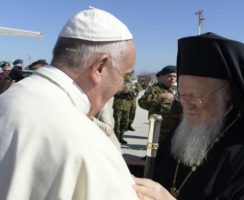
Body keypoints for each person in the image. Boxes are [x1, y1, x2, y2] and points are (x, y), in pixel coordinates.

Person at [0, 7, 139, 200]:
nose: (121, 84)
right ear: (99, 67)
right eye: (125, 75)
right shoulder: (91, 146)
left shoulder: (9, 98)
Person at [134, 33, 244, 200]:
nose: (186, 104)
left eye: (195, 96)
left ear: (228, 93)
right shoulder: (182, 131)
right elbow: (155, 169)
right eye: (182, 95)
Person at [138, 65, 182, 142]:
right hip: (160, 129)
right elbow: (141, 102)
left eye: (174, 76)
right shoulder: (155, 89)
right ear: (162, 77)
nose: (172, 79)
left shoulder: (177, 89)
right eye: (169, 76)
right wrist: (161, 96)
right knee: (158, 151)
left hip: (177, 128)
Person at [113, 73, 140, 144]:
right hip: (118, 105)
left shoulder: (132, 83)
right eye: (129, 74)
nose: (130, 76)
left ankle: (121, 136)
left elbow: (136, 92)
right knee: (117, 122)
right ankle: (116, 137)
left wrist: (133, 92)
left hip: (127, 105)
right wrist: (124, 90)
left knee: (125, 122)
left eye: (131, 74)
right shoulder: (118, 81)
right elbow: (114, 92)